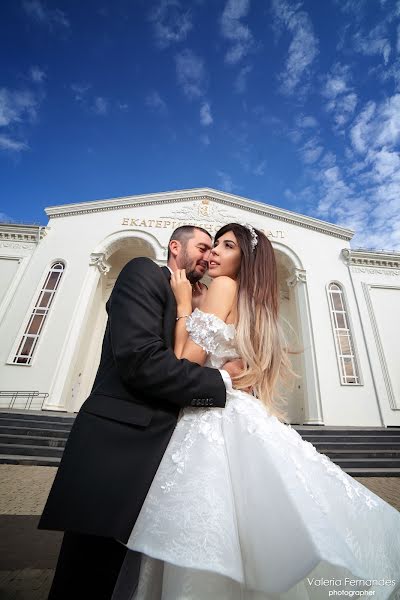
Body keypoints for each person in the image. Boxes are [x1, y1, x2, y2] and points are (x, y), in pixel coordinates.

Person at [112, 223, 400, 600]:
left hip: (211, 416)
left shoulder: (222, 287)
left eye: (226, 246)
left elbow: (185, 360)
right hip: (237, 408)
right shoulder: (253, 302)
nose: (214, 251)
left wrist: (184, 305)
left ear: (243, 259)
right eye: (213, 244)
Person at [38, 225, 244, 600]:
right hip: (120, 450)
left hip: (172, 457)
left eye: (216, 247)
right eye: (202, 246)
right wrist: (221, 383)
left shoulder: (206, 297)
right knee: (88, 577)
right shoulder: (143, 273)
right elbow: (140, 362)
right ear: (175, 247)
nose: (208, 254)